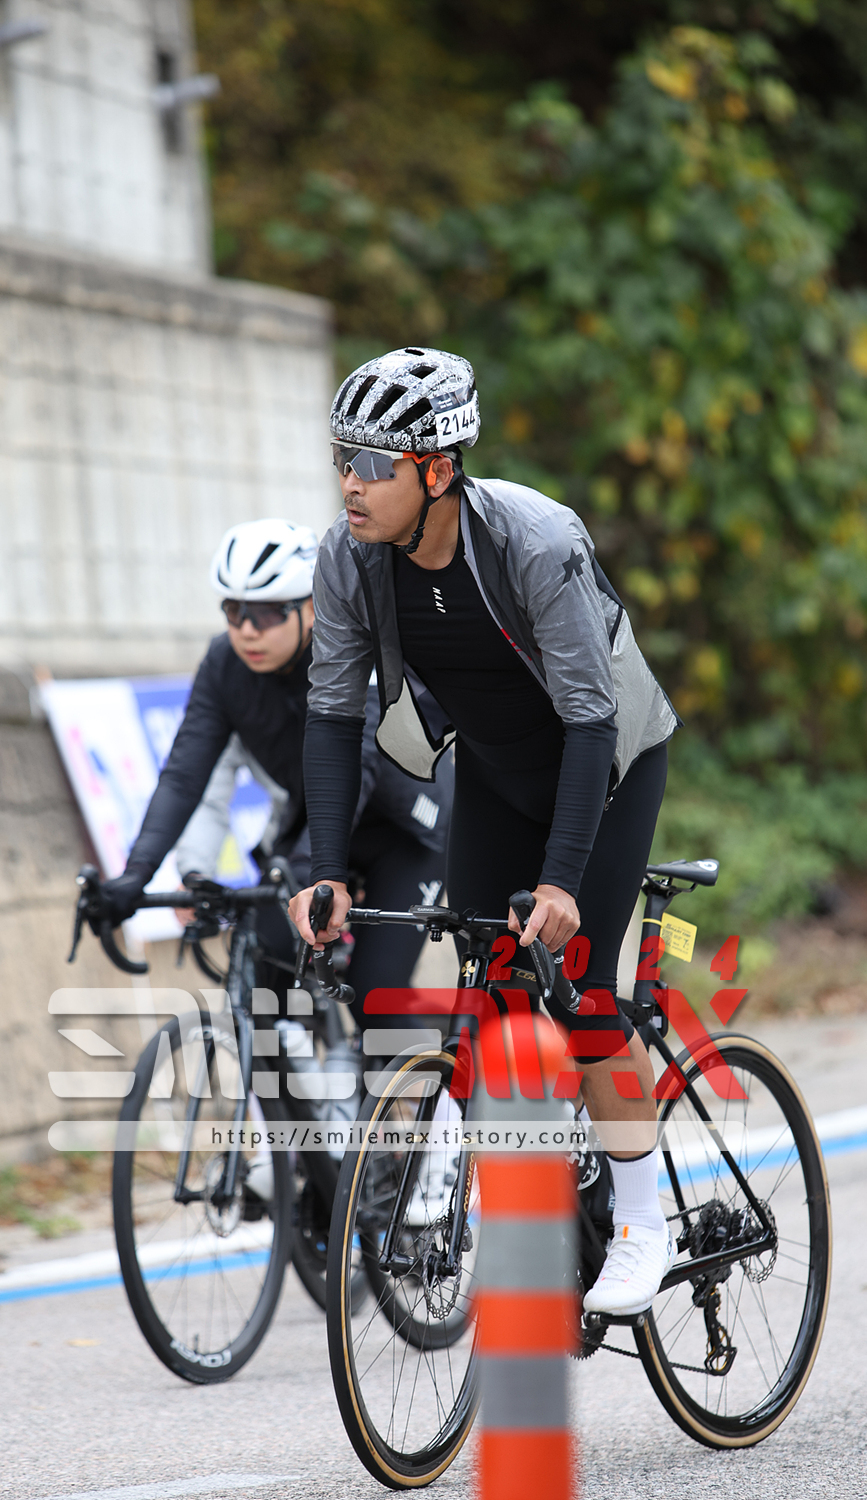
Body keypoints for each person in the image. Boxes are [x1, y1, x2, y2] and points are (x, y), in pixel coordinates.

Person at [289, 347, 682, 1315]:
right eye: (342, 459)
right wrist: (327, 869)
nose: (350, 483)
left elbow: (591, 718)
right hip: (499, 776)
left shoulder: (534, 541)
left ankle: (645, 1224)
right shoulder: (349, 556)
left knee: (584, 996)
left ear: (437, 471)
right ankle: (545, 1198)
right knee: (489, 998)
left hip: (608, 765)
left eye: (372, 464)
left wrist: (560, 880)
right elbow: (333, 714)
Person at [99, 518, 452, 1037]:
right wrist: (137, 874)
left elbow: (355, 771)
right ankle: (306, 1085)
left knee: (375, 994)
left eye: (267, 613)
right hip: (318, 822)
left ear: (310, 607)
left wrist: (307, 870)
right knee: (261, 983)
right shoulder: (224, 664)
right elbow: (184, 775)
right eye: (234, 611)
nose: (247, 630)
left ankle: (436, 1081)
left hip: (405, 834)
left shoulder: (351, 648)